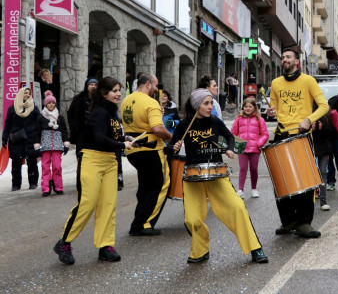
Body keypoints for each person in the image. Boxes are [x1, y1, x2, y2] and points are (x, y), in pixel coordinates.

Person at [171, 89, 268, 264]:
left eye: (211, 103)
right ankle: (200, 250)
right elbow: (168, 148)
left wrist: (230, 149)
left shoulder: (215, 122)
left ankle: (255, 248)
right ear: (196, 105)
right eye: (206, 103)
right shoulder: (184, 125)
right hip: (193, 176)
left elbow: (230, 137)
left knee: (237, 207)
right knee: (192, 220)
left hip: (216, 173)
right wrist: (173, 147)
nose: (210, 107)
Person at [53, 77, 133, 265]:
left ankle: (105, 246)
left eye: (119, 90)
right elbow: (99, 138)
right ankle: (64, 243)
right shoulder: (98, 112)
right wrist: (122, 144)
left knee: (108, 205)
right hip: (92, 160)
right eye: (114, 90)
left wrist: (130, 138)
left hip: (110, 162)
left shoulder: (113, 113)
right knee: (86, 204)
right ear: (104, 93)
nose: (119, 94)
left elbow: (115, 135)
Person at [266, 48, 329, 238]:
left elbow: (324, 105)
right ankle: (288, 221)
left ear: (296, 61)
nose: (285, 60)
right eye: (283, 57)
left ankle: (303, 223)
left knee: (304, 181)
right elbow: (274, 109)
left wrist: (309, 120)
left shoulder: (308, 81)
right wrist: (271, 113)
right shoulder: (276, 83)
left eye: (288, 57)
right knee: (281, 180)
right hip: (281, 134)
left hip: (301, 135)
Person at [120, 74, 172, 236]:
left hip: (133, 150)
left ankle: (138, 222)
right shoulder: (151, 102)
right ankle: (145, 223)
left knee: (144, 186)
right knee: (161, 185)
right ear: (148, 84)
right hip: (151, 149)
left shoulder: (126, 100)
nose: (157, 89)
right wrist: (171, 137)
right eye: (155, 86)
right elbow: (157, 128)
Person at [2, 87, 41, 191]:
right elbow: (7, 125)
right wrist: (4, 139)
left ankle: (33, 183)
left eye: (29, 93)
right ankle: (16, 185)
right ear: (20, 94)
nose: (27, 95)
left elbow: (40, 122)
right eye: (25, 93)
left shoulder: (34, 108)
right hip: (16, 139)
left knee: (32, 161)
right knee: (16, 162)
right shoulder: (12, 108)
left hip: (30, 139)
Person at [230, 98, 269, 198]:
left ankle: (254, 189)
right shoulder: (238, 119)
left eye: (250, 106)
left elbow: (265, 134)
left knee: (254, 169)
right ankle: (240, 189)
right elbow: (233, 133)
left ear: (254, 107)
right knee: (243, 168)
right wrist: (237, 143)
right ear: (243, 107)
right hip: (242, 149)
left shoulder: (259, 119)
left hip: (255, 149)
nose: (248, 108)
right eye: (246, 106)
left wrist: (258, 144)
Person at [34, 90, 70, 196]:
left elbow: (64, 131)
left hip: (57, 145)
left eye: (53, 103)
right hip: (45, 146)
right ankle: (45, 188)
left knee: (57, 167)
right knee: (45, 167)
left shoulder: (59, 117)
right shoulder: (41, 117)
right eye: (49, 103)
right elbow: (36, 132)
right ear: (45, 104)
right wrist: (37, 145)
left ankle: (58, 187)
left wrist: (66, 143)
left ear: (55, 104)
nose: (51, 104)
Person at [311, 110, 334, 210]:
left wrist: (323, 127)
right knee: (311, 174)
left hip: (324, 148)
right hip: (310, 147)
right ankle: (309, 201)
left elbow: (331, 132)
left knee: (323, 172)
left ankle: (323, 200)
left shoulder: (325, 114)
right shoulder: (307, 111)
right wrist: (309, 129)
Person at [67, 78, 98, 150]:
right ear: (87, 86)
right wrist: (73, 127)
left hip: (95, 131)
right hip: (81, 130)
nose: (93, 86)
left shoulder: (100, 99)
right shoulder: (79, 98)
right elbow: (71, 113)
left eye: (95, 85)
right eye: (91, 84)